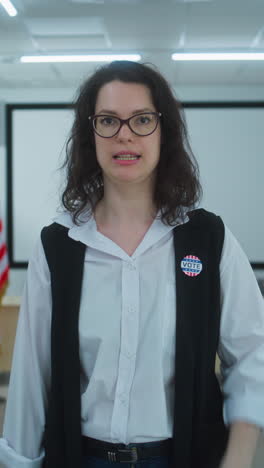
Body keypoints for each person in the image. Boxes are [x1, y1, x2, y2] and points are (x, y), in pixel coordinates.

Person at [0, 60, 263, 468]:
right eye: (108, 120)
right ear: (91, 134)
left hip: (184, 458)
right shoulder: (58, 246)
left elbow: (252, 353)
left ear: (164, 132)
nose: (124, 134)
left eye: (142, 119)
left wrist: (240, 456)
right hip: (80, 458)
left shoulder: (209, 239)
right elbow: (32, 377)